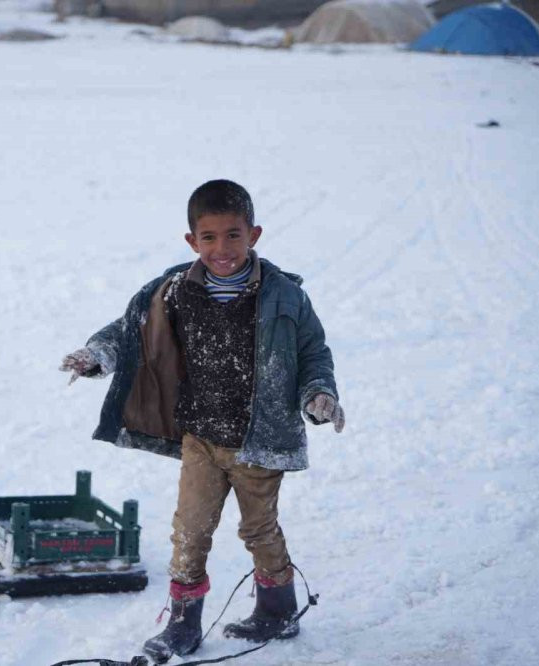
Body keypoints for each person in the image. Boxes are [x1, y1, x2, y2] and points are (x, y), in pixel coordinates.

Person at [60, 180, 344, 663]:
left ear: (254, 234)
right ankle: (182, 624)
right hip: (200, 437)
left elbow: (313, 351)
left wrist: (319, 394)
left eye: (233, 235)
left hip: (259, 440)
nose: (222, 248)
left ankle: (277, 609)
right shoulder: (174, 290)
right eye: (209, 238)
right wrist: (98, 354)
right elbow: (130, 329)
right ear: (192, 241)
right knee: (189, 530)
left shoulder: (284, 296)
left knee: (259, 531)